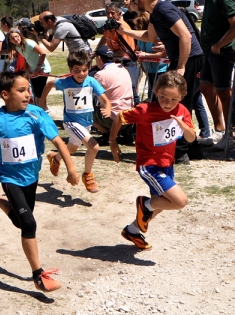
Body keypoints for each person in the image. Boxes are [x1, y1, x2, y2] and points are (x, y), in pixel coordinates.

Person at [0, 71, 79, 293]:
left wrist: (72, 169)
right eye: (22, 90)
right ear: (5, 94)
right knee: (29, 224)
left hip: (32, 177)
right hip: (10, 178)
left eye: (28, 89)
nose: (28, 94)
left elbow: (58, 141)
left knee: (21, 222)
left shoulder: (36, 115)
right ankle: (38, 275)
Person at [118, 0, 204, 163]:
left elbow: (186, 35)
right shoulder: (155, 13)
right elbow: (149, 36)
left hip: (189, 58)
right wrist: (125, 31)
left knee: (178, 104)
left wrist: (181, 65)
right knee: (182, 102)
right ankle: (193, 149)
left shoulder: (164, 10)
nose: (133, 3)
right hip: (183, 59)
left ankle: (180, 153)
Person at [110, 71, 196, 251]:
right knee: (180, 201)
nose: (168, 104)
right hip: (149, 164)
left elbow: (191, 138)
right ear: (156, 91)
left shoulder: (183, 111)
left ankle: (132, 230)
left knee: (164, 202)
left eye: (174, 100)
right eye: (164, 97)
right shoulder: (145, 110)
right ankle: (144, 204)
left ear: (182, 97)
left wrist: (184, 127)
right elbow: (120, 117)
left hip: (167, 163)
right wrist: (112, 141)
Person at [159, 0, 235, 149]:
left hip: (221, 52)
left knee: (223, 93)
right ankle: (219, 129)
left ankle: (230, 134)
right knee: (205, 87)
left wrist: (219, 45)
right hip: (208, 51)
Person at [40, 50, 111, 193]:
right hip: (71, 122)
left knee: (72, 149)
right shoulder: (65, 82)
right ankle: (88, 175)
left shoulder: (91, 82)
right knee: (94, 146)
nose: (81, 74)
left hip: (86, 124)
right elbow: (49, 84)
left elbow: (105, 100)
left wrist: (107, 108)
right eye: (77, 70)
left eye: (85, 70)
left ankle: (55, 158)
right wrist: (42, 102)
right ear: (70, 70)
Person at [96, 3, 138, 100]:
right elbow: (104, 37)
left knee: (130, 88)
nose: (110, 16)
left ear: (119, 14)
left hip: (127, 62)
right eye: (107, 13)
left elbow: (123, 52)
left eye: (112, 13)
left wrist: (106, 56)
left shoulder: (123, 28)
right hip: (116, 62)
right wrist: (97, 51)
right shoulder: (109, 26)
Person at [89, 46, 134, 136]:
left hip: (112, 118)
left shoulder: (101, 74)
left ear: (99, 58)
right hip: (128, 116)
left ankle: (106, 133)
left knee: (82, 109)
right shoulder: (123, 68)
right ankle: (124, 130)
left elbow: (91, 95)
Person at [8, 24, 51, 109]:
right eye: (13, 38)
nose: (16, 39)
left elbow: (43, 53)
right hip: (33, 70)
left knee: (40, 92)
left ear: (20, 35)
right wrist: (27, 70)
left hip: (42, 69)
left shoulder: (29, 43)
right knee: (36, 93)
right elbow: (26, 58)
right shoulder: (18, 47)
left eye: (17, 36)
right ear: (10, 41)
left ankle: (44, 109)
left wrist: (38, 68)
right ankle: (40, 109)